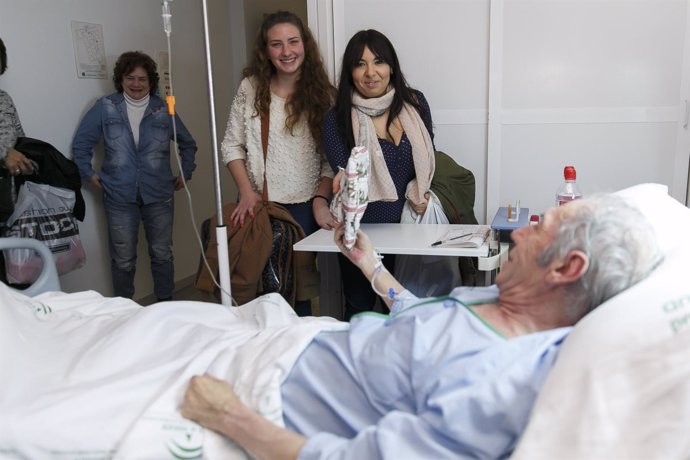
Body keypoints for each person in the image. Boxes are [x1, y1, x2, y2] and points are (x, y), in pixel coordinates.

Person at [181, 194, 663, 459]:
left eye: (539, 228)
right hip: (299, 339)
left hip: (266, 387)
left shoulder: (496, 385)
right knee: (179, 317)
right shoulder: (501, 300)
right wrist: (372, 267)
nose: (517, 231)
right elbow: (426, 325)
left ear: (566, 268)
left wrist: (231, 418)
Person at [220, 10, 336, 315]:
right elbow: (231, 145)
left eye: (293, 42)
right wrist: (246, 191)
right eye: (276, 44)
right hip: (258, 205)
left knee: (298, 296)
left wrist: (321, 201)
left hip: (304, 211)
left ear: (305, 45)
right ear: (265, 50)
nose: (286, 51)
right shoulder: (250, 88)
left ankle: (294, 357)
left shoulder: (324, 95)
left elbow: (330, 160)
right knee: (254, 294)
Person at [323, 29, 436, 319]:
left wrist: (419, 193)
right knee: (360, 309)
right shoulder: (335, 119)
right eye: (360, 64)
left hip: (412, 226)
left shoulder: (415, 104)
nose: (371, 72)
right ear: (350, 72)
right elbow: (346, 173)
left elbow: (429, 157)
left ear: (392, 67)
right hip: (363, 230)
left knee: (410, 307)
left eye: (379, 62)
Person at [72, 51, 197, 302]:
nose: (136, 84)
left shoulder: (163, 109)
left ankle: (166, 308)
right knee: (123, 260)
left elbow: (188, 144)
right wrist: (89, 174)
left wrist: (186, 172)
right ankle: (124, 314)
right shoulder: (105, 107)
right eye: (130, 78)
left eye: (142, 79)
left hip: (159, 195)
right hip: (119, 196)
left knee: (162, 255)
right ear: (121, 80)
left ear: (151, 82)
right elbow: (81, 144)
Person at [0, 37, 34, 284]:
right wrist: (4, 153)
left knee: (14, 280)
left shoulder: (4, 98)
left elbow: (20, 137)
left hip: (8, 202)